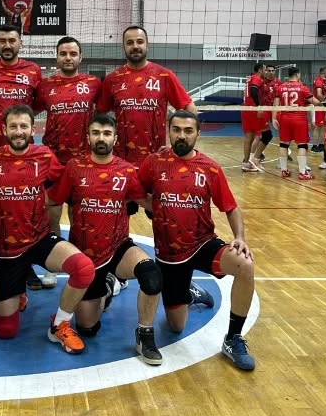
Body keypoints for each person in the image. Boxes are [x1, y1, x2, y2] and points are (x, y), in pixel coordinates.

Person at [137, 111, 257, 371]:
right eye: (176, 130)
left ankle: (233, 338)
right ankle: (191, 293)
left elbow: (231, 207)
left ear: (198, 134)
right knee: (176, 326)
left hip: (203, 243)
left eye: (188, 131)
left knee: (245, 265)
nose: (182, 135)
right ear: (169, 131)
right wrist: (154, 206)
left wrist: (239, 237)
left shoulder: (209, 168)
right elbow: (137, 191)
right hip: (169, 254)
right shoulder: (154, 163)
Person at [0, 104, 96, 354]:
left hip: (39, 238)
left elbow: (66, 180)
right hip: (7, 251)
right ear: (4, 130)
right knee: (6, 331)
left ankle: (59, 325)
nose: (18, 131)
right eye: (13, 126)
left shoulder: (44, 156)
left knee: (84, 268)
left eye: (24, 126)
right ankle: (18, 289)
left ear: (33, 129)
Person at [48, 113, 164, 365]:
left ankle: (144, 334)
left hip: (118, 246)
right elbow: (53, 199)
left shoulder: (126, 170)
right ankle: (108, 287)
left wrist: (173, 193)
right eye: (96, 133)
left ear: (115, 138)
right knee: (87, 328)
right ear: (88, 137)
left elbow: (146, 201)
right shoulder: (74, 168)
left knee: (151, 277)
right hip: (86, 254)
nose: (101, 138)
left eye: (107, 133)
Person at [0, 25, 43, 290]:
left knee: (26, 209)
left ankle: (26, 265)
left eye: (12, 40)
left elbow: (37, 104)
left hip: (23, 153)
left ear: (20, 43)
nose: (7, 44)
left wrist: (20, 124)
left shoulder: (33, 71)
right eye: (2, 40)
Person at [33, 35, 101, 288]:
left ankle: (82, 262)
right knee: (51, 213)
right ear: (57, 57)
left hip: (83, 161)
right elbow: (30, 111)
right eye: (63, 54)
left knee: (79, 215)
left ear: (80, 57)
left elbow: (104, 111)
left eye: (73, 54)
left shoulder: (93, 84)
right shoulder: (46, 86)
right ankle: (54, 264)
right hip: (52, 160)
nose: (68, 58)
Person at [97, 25, 197, 167]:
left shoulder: (164, 75)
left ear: (147, 45)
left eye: (140, 41)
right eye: (130, 42)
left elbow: (190, 108)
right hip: (120, 161)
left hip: (157, 160)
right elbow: (100, 114)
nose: (135, 46)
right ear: (124, 47)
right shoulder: (112, 79)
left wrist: (176, 143)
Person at [271, 67, 316, 179]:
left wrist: (273, 118)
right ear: (298, 74)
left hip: (284, 118)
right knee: (302, 145)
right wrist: (325, 103)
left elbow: (275, 104)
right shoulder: (302, 87)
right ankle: (302, 172)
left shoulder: (280, 87)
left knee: (283, 144)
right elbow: (314, 102)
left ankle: (284, 171)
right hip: (299, 119)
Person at [239, 63, 271, 172]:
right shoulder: (257, 78)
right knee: (263, 135)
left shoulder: (249, 78)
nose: (266, 72)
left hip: (246, 110)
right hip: (253, 110)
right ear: (260, 70)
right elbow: (253, 91)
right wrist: (258, 106)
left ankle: (246, 163)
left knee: (249, 137)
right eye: (265, 69)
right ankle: (253, 160)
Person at [311, 66, 326, 152]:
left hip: (322, 106)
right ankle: (314, 146)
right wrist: (324, 102)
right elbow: (318, 94)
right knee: (318, 126)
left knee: (323, 126)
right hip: (319, 105)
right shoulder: (318, 81)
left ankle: (321, 145)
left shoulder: (324, 81)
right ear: (324, 72)